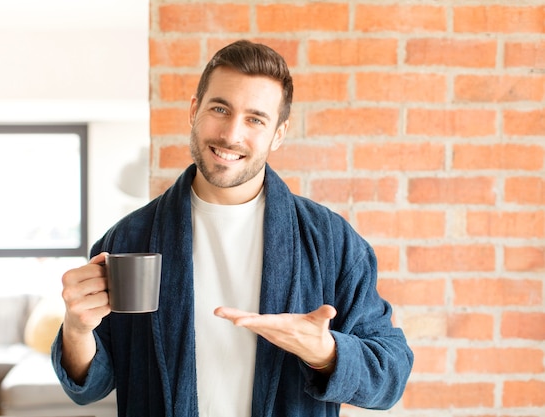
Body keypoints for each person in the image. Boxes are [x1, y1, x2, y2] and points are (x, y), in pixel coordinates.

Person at [51, 39, 414, 417]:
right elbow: (89, 386)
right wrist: (76, 329)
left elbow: (391, 374)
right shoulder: (127, 239)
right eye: (220, 109)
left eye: (255, 119)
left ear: (278, 134)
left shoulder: (330, 242)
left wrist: (325, 352)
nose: (231, 135)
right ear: (194, 110)